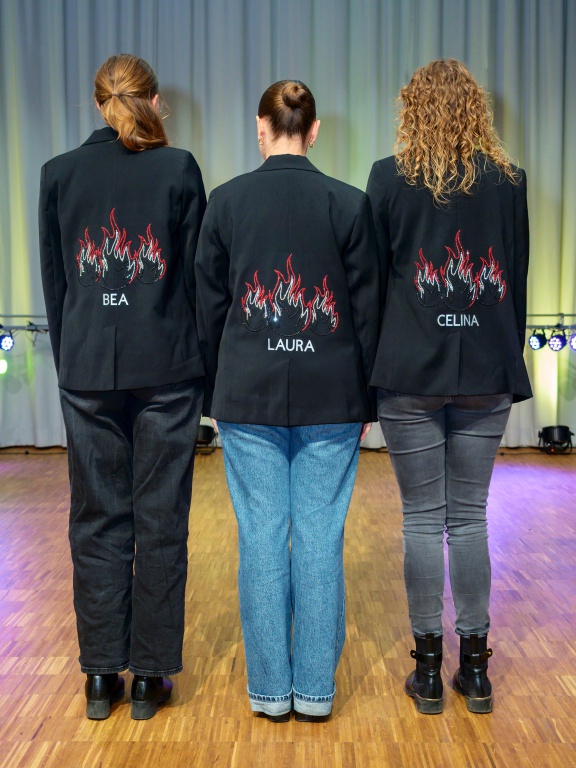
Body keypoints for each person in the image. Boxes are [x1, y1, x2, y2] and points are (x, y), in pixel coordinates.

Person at [195, 80, 381, 722]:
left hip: (247, 395)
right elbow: (367, 313)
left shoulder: (225, 202)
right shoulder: (349, 204)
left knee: (262, 540)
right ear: (315, 130)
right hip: (334, 397)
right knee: (321, 538)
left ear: (261, 127)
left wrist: (214, 391)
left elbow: (208, 309)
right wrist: (368, 402)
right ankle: (315, 694)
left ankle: (271, 693)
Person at [38, 54, 206, 720]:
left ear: (97, 103)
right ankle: (149, 680)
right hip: (167, 370)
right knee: (160, 522)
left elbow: (57, 286)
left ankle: (100, 676)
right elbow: (195, 283)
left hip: (86, 370)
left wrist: (72, 362)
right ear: (153, 101)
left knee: (96, 520)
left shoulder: (58, 173)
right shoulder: (179, 169)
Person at [366, 59, 532, 715]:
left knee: (420, 520)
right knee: (468, 519)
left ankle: (429, 674)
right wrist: (506, 354)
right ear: (475, 110)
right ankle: (478, 673)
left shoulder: (387, 177)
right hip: (486, 370)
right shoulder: (509, 181)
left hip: (408, 371)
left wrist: (368, 373)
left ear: (412, 109)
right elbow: (515, 277)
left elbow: (374, 285)